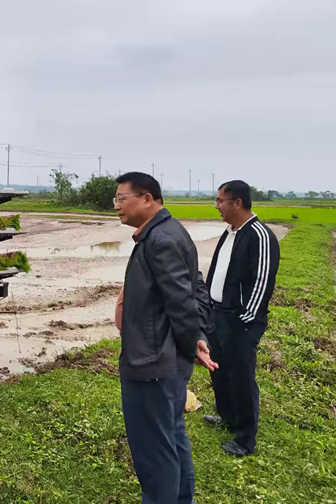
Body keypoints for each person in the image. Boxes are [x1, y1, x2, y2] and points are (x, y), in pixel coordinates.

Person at [113, 172, 217, 504]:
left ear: (147, 198)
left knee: (155, 451)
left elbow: (183, 303)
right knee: (171, 438)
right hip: (163, 359)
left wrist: (191, 345)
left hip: (153, 364)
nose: (116, 206)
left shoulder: (162, 240)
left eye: (121, 198)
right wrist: (195, 341)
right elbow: (194, 288)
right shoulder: (163, 234)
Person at [203, 180, 280, 457]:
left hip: (240, 320)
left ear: (237, 203)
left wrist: (245, 319)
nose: (216, 206)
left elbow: (262, 281)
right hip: (217, 314)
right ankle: (227, 417)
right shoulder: (229, 232)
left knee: (241, 377)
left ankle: (246, 439)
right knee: (219, 370)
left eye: (220, 200)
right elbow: (217, 272)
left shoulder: (259, 235)